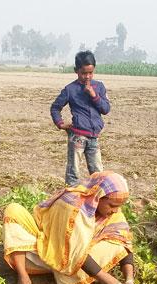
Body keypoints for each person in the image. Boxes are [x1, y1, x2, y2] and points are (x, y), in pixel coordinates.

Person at [2, 171, 137, 284]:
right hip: (44, 253)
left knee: (117, 240)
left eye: (118, 207)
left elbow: (123, 240)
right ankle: (24, 277)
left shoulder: (112, 211)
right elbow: (76, 253)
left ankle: (78, 274)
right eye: (112, 206)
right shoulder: (73, 207)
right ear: (98, 197)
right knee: (13, 210)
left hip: (74, 263)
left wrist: (129, 280)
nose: (115, 211)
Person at [51, 50, 111, 186]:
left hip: (94, 136)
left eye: (90, 73)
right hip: (77, 136)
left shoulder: (99, 87)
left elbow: (106, 109)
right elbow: (55, 107)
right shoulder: (70, 89)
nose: (87, 76)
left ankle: (98, 202)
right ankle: (71, 201)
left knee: (98, 174)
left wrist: (94, 95)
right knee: (73, 173)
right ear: (76, 71)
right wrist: (60, 123)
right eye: (84, 73)